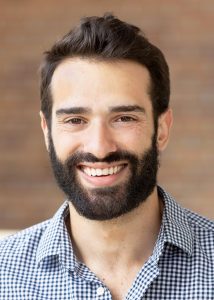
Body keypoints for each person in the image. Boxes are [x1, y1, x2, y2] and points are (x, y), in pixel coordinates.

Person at [0, 14, 213, 300]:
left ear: (161, 129)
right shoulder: (5, 274)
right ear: (47, 132)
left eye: (124, 118)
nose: (100, 148)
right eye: (75, 120)